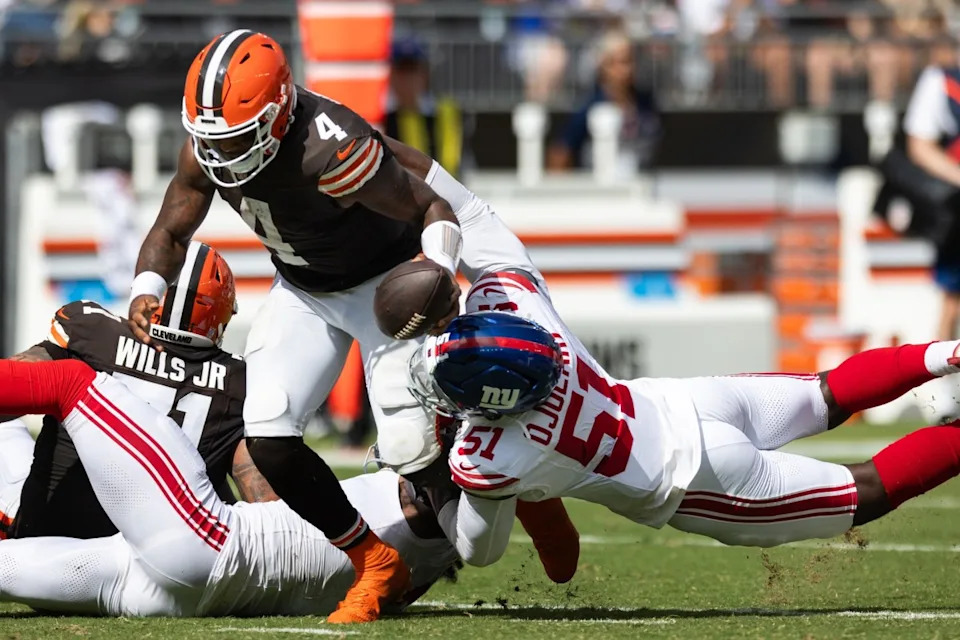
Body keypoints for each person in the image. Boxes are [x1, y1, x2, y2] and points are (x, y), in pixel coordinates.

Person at [126, 29, 541, 623]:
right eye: (213, 140)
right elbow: (170, 230)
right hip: (304, 288)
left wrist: (437, 273)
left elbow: (432, 208)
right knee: (267, 433)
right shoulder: (209, 146)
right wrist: (147, 288)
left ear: (277, 112)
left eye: (238, 138)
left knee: (437, 489)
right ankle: (372, 560)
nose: (222, 156)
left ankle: (499, 468)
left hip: (384, 287)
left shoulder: (332, 150)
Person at [409, 267, 960, 568]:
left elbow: (480, 552)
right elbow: (489, 237)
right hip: (690, 402)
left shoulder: (490, 456)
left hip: (697, 478)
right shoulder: (531, 319)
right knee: (829, 391)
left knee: (864, 490)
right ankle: (947, 353)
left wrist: (440, 483)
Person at [0, 358, 459, 617]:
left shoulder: (430, 498)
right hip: (166, 599)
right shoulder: (436, 553)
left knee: (68, 382)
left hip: (206, 540)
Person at [7, 241, 246, 541]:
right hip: (159, 556)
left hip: (53, 535)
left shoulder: (91, 331)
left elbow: (13, 383)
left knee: (7, 431)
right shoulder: (238, 381)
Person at [903, 48, 960, 341]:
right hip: (957, 210)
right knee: (952, 300)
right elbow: (919, 145)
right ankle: (947, 383)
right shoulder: (944, 80)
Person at [547, 29, 660, 174]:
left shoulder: (646, 102)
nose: (628, 70)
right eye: (621, 62)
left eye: (630, 61)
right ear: (604, 66)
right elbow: (560, 152)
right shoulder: (588, 108)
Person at [386, 36, 464, 178]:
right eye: (402, 70)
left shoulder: (445, 113)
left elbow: (452, 162)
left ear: (425, 73)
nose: (408, 79)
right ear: (391, 75)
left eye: (413, 70)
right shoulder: (381, 118)